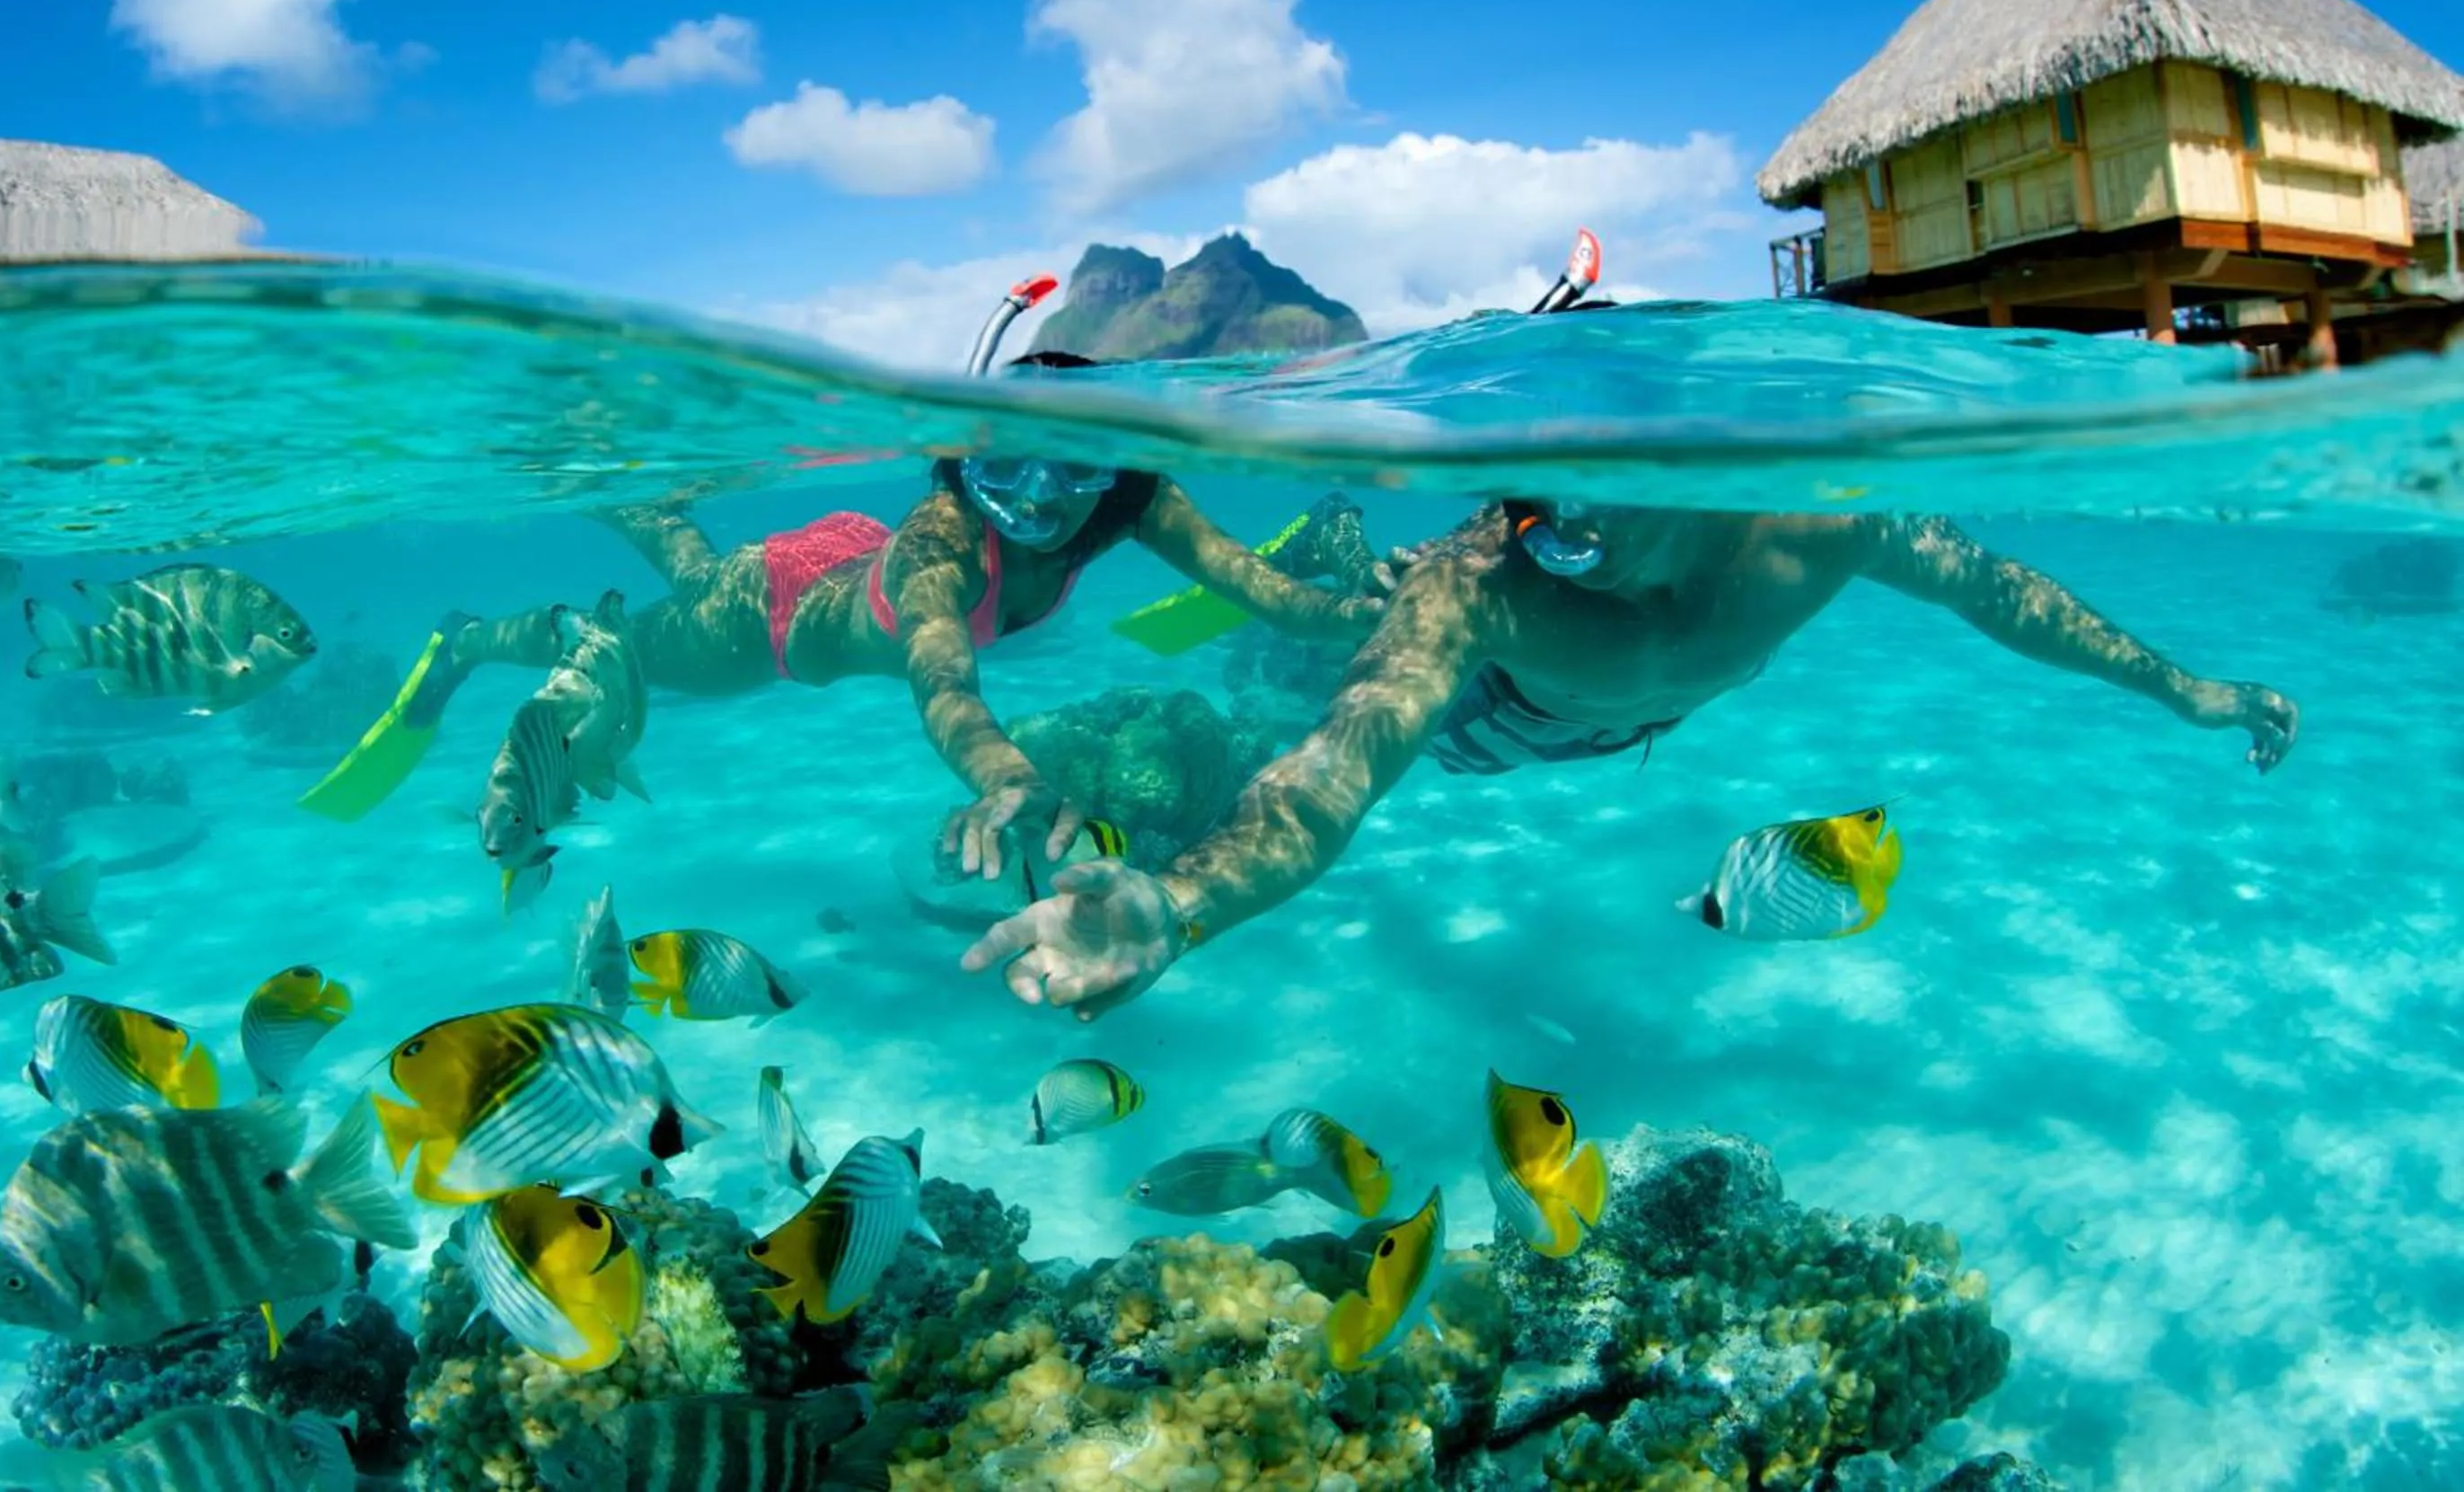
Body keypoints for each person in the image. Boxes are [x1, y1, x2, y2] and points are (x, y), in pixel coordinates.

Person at [960, 498, 2301, 1020]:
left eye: (1587, 529)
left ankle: (1341, 573)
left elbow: (2006, 595)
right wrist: (1181, 901)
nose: (1559, 552)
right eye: (1533, 520)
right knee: (1326, 686)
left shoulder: (1817, 525)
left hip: (1634, 713)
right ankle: (1327, 585)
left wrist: (2187, 690)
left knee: (1381, 631)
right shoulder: (1489, 581)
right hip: (1501, 720)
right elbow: (1332, 779)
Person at [299, 279, 1378, 861]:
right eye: (1008, 464)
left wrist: (1362, 610)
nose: (1044, 498)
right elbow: (942, 678)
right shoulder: (944, 544)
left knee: (694, 564)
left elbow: (1264, 590)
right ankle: (470, 634)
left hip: (821, 560)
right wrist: (1007, 776)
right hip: (762, 625)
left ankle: (643, 502)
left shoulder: (1133, 498)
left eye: (1075, 467)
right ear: (963, 459)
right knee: (621, 646)